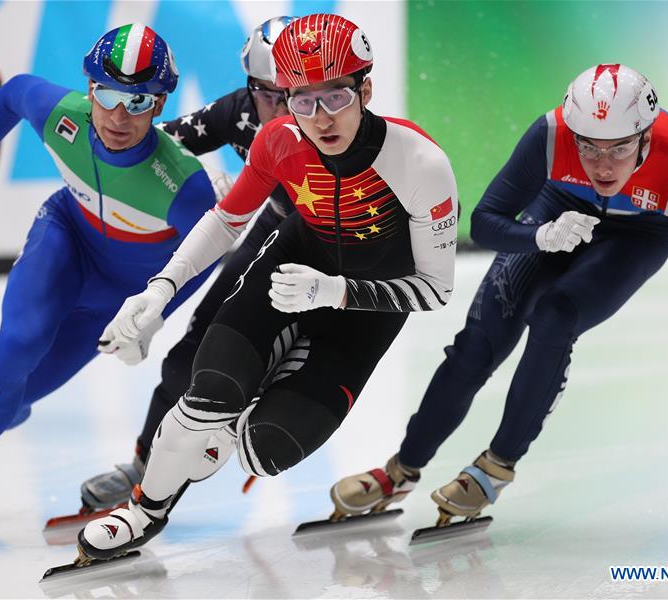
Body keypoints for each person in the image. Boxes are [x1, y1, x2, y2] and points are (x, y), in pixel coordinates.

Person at [77, 13, 459, 561]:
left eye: (335, 98)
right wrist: (158, 291)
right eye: (301, 101)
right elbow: (226, 221)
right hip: (289, 270)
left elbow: (435, 290)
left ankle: (227, 430)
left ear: (366, 89)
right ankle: (144, 510)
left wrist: (337, 292)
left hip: (362, 310)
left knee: (265, 450)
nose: (320, 118)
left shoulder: (420, 163)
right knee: (206, 389)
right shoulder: (280, 139)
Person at [329, 64, 668, 527]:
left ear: (646, 138)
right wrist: (542, 236)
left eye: (621, 149)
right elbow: (485, 222)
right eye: (588, 147)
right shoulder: (550, 134)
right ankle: (401, 468)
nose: (603, 166)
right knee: (476, 347)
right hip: (557, 212)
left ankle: (496, 466)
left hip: (638, 236)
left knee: (555, 316)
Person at [0, 23, 220, 534]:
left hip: (119, 295)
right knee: (18, 345)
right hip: (65, 242)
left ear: (159, 105)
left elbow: (209, 251)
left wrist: (154, 314)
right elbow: (12, 93)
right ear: (90, 89)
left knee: (19, 392)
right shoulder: (62, 115)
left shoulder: (182, 184)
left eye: (139, 102)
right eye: (107, 95)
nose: (117, 116)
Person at [78, 16, 298, 513]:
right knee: (192, 354)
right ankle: (144, 465)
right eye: (269, 96)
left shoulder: (334, 126)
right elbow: (149, 147)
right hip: (274, 232)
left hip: (336, 254)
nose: (284, 111)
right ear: (249, 88)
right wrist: (200, 174)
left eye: (297, 94)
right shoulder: (238, 113)